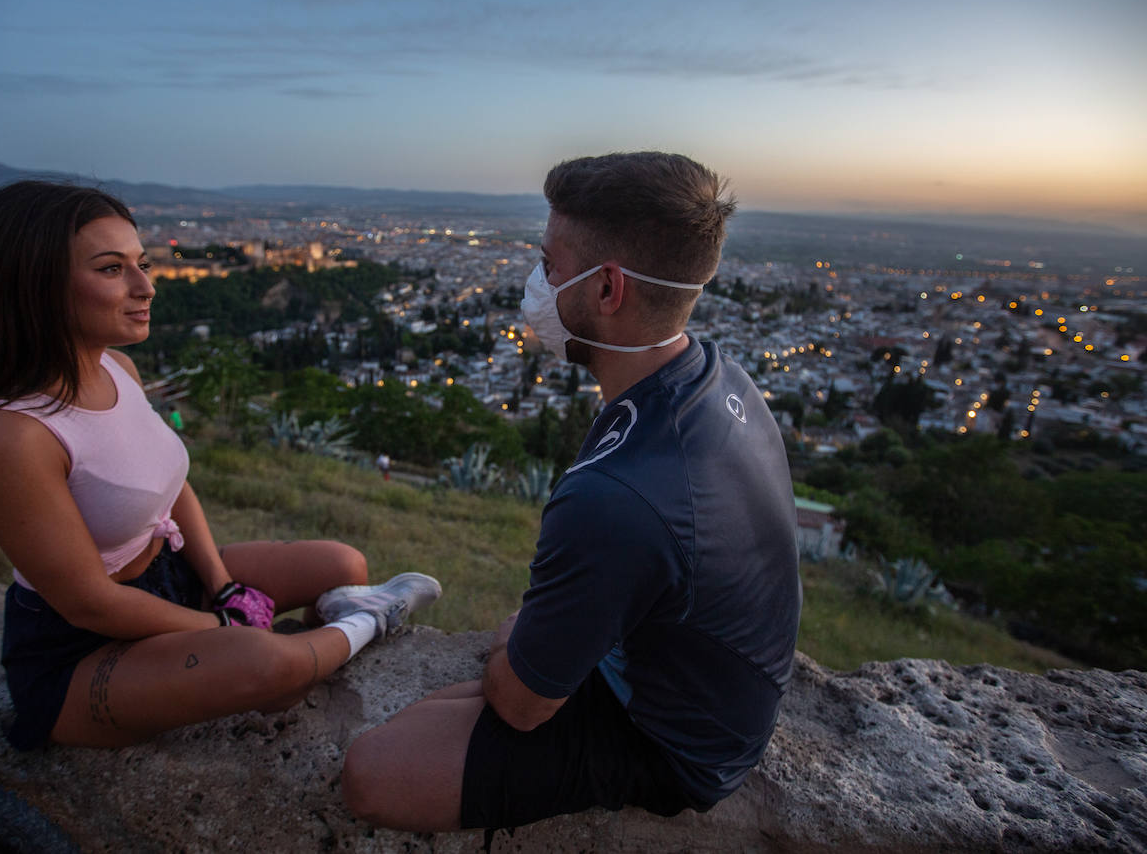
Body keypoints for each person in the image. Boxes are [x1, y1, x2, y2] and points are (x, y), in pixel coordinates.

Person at [338, 152, 802, 831]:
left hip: (674, 742)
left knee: (373, 768)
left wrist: (515, 647)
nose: (537, 283)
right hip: (709, 683)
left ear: (608, 288)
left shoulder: (617, 496)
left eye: (549, 265)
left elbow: (520, 705)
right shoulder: (717, 378)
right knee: (456, 696)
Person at [0, 180, 441, 751]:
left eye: (142, 263)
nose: (146, 287)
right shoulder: (10, 436)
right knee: (269, 667)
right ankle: (367, 623)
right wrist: (224, 627)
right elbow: (89, 603)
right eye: (112, 269)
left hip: (171, 580)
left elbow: (172, 489)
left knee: (342, 562)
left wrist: (223, 587)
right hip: (80, 649)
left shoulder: (118, 370)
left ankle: (307, 641)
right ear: (33, 285)